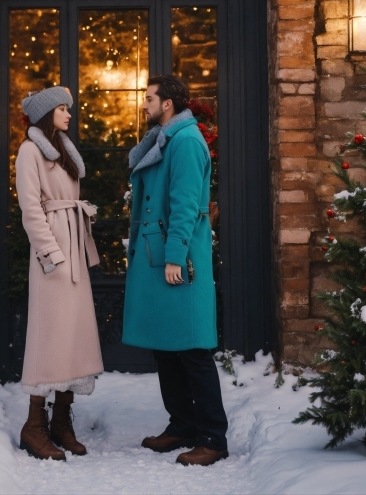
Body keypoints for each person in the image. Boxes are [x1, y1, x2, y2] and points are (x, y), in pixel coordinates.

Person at [122, 74, 228, 466]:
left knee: (193, 348)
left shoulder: (184, 142)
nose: (145, 104)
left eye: (149, 98)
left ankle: (214, 438)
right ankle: (182, 425)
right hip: (158, 252)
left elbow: (185, 205)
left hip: (176, 255)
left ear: (167, 103)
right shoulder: (167, 139)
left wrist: (175, 256)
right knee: (167, 347)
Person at [15, 86, 103, 461]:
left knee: (74, 333)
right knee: (49, 335)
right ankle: (34, 426)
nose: (69, 114)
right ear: (46, 114)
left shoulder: (64, 150)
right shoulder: (29, 151)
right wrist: (50, 252)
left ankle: (61, 421)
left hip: (75, 249)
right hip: (53, 253)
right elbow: (31, 209)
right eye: (62, 109)